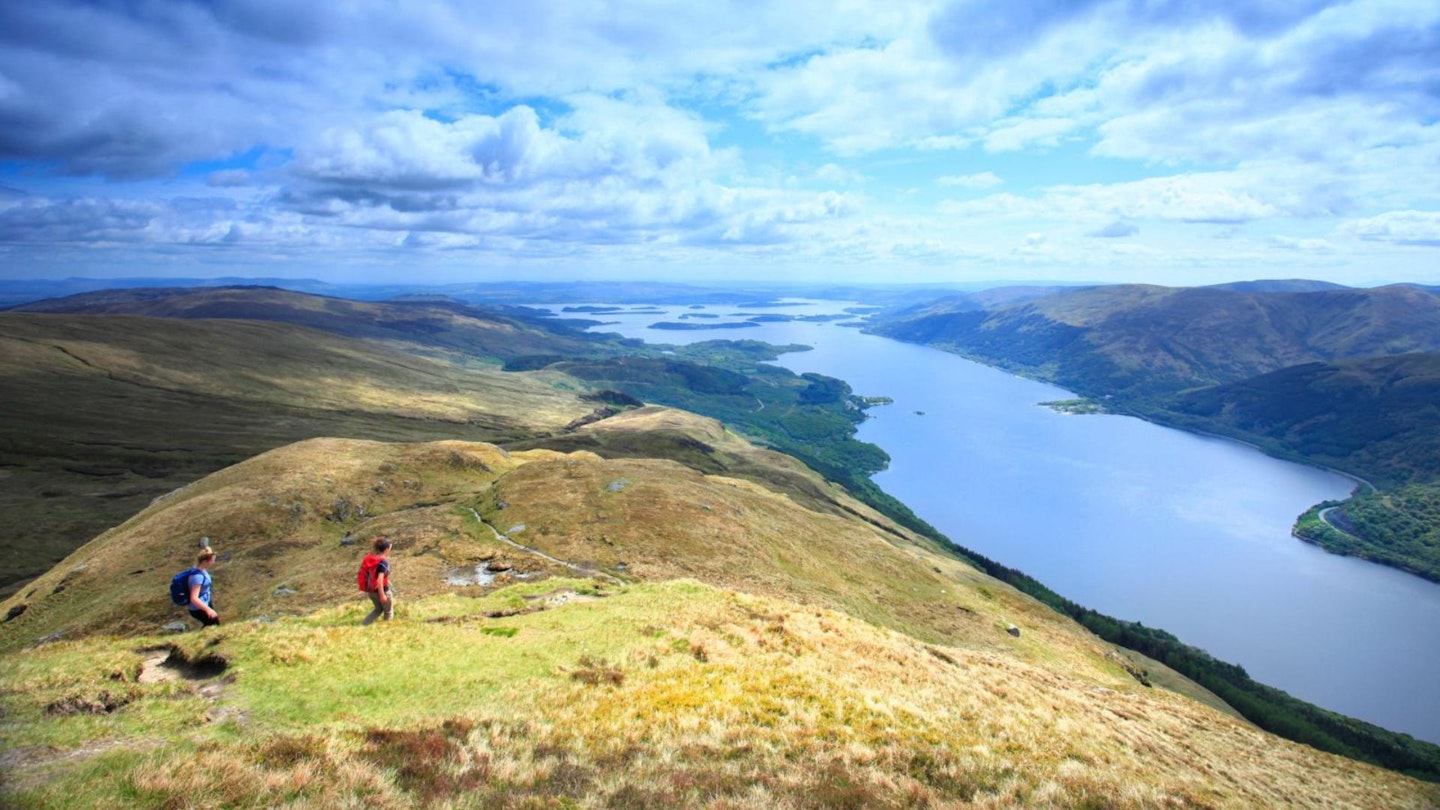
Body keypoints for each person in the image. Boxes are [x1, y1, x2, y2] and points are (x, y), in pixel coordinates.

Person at [360, 538, 394, 625]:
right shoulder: (383, 562)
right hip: (382, 591)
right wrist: (382, 595)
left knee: (378, 609)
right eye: (390, 548)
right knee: (388, 611)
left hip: (371, 591)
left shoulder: (371, 559)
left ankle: (364, 624)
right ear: (386, 549)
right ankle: (389, 628)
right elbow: (380, 579)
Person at [187, 549, 220, 627]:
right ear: (205, 561)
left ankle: (201, 638)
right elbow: (194, 598)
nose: (213, 562)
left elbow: (206, 550)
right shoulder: (197, 577)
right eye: (212, 560)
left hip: (206, 602)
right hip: (198, 608)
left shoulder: (201, 569)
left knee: (210, 624)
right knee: (213, 624)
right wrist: (207, 610)